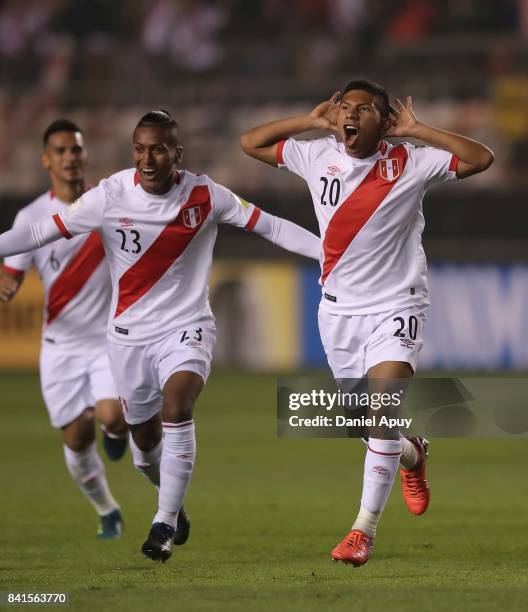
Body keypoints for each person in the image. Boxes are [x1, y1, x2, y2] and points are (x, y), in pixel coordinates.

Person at [0, 109, 320, 562]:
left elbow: (269, 225)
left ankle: (163, 523)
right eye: (139, 149)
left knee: (179, 406)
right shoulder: (110, 195)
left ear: (177, 154)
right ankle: (171, 499)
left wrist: (329, 256)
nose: (147, 159)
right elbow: (36, 232)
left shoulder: (206, 195)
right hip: (128, 339)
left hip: (186, 328)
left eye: (157, 149)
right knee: (144, 447)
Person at [240, 79, 494, 566]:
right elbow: (249, 142)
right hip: (338, 311)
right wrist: (310, 120)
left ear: (384, 122)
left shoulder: (411, 161)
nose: (349, 115)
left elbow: (481, 159)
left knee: (380, 413)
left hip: (398, 306)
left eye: (362, 109)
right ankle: (413, 454)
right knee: (365, 424)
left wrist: (421, 131)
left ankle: (362, 532)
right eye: (344, 107)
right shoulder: (315, 154)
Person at [0, 119, 129, 538]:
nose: (70, 158)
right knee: (76, 439)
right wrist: (8, 285)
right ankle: (107, 508)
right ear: (45, 160)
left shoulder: (108, 203)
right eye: (60, 151)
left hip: (109, 340)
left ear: (85, 155)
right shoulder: (32, 215)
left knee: (111, 415)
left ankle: (117, 428)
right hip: (60, 346)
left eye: (76, 150)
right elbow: (12, 272)